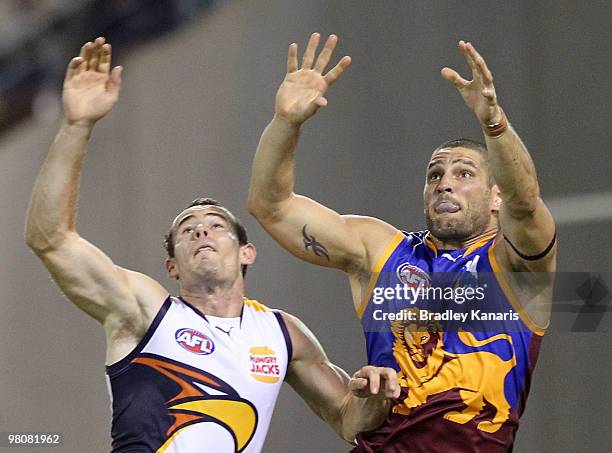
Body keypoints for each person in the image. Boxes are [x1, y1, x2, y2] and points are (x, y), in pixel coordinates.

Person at [25, 37, 400, 453]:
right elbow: (50, 239)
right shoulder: (145, 312)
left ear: (247, 253)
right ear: (172, 267)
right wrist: (76, 126)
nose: (201, 231)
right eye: (187, 229)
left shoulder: (282, 333)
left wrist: (373, 400)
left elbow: (348, 420)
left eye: (216, 224)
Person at [248, 33, 557, 452]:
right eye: (435, 175)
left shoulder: (515, 267)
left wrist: (494, 125)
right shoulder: (381, 250)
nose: (445, 183)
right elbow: (272, 207)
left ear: (496, 195)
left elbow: (526, 202)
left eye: (464, 173)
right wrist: (285, 123)